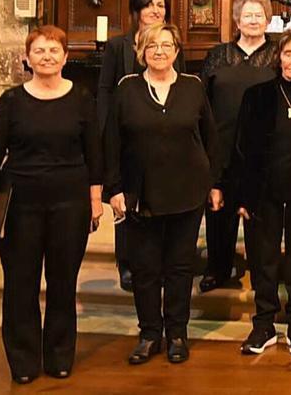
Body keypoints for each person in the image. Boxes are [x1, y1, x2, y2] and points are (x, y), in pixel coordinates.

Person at [0, 26, 103, 384]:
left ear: (65, 57)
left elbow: (95, 154)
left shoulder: (82, 99)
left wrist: (95, 200)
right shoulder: (11, 101)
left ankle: (59, 356)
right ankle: (23, 361)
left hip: (70, 202)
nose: (47, 56)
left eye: (53, 50)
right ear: (27, 58)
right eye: (39, 50)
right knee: (20, 284)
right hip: (19, 204)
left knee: (62, 282)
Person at [105, 23, 221, 365]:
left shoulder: (192, 86)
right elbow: (111, 142)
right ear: (141, 51)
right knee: (145, 268)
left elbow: (211, 138)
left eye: (166, 45)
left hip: (187, 192)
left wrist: (214, 183)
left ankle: (177, 334)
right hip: (141, 194)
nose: (159, 51)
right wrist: (114, 189)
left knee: (180, 267)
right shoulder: (127, 89)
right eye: (152, 45)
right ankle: (149, 334)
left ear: (176, 51)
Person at [230, 28, 291, 356]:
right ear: (278, 58)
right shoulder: (256, 96)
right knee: (263, 260)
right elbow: (241, 148)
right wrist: (242, 196)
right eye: (289, 53)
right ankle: (264, 324)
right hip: (263, 192)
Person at [98, 0, 184, 292]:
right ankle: (127, 263)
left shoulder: (172, 45)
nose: (155, 10)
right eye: (149, 5)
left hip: (161, 138)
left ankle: (157, 261)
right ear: (137, 11)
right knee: (126, 201)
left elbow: (179, 86)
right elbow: (105, 90)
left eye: (160, 5)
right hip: (126, 135)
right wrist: (106, 128)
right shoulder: (117, 46)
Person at [199, 0, 277, 293]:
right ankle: (217, 268)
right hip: (222, 144)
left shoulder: (277, 55)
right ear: (237, 20)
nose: (253, 20)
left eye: (259, 15)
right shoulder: (218, 55)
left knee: (261, 216)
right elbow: (203, 101)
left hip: (262, 150)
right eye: (247, 15)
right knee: (219, 212)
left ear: (268, 20)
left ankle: (262, 271)